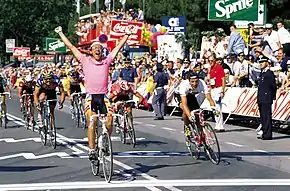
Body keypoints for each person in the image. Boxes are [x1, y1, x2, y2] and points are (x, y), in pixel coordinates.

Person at [55, 25, 132, 161]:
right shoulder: (85, 60)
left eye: (100, 48)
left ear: (103, 51)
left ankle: (106, 141)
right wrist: (61, 33)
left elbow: (117, 48)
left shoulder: (107, 60)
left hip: (104, 96)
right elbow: (72, 47)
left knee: (109, 120)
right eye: (95, 48)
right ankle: (91, 150)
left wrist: (127, 35)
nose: (98, 50)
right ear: (91, 51)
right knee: (92, 121)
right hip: (91, 96)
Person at [256, 57, 277, 140]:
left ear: (267, 63)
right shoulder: (262, 73)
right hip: (261, 97)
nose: (261, 64)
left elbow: (273, 86)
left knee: (267, 116)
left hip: (266, 97)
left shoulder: (269, 73)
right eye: (260, 62)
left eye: (263, 62)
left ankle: (268, 134)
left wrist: (272, 95)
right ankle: (264, 132)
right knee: (263, 117)